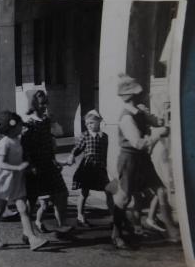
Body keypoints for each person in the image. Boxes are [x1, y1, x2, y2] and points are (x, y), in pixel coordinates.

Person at [110, 73, 177, 248]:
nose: (144, 94)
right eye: (140, 93)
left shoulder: (139, 111)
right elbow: (138, 143)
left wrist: (160, 119)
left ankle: (171, 231)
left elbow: (157, 122)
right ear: (132, 95)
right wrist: (157, 134)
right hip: (130, 159)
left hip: (142, 159)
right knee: (123, 198)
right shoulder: (126, 117)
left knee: (161, 190)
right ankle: (116, 234)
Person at [0, 111, 48, 250]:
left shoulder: (18, 140)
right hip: (4, 179)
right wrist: (18, 168)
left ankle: (32, 238)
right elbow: (1, 164)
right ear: (11, 127)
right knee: (0, 208)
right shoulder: (4, 143)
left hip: (17, 179)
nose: (21, 127)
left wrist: (27, 168)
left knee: (23, 208)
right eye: (19, 125)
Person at [21, 90, 72, 233]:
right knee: (32, 200)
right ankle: (27, 232)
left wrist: (55, 159)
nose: (45, 106)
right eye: (42, 104)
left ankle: (62, 226)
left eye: (46, 103)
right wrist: (30, 166)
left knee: (61, 194)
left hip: (49, 165)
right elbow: (25, 149)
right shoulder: (28, 124)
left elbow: (55, 137)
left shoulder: (47, 121)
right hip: (35, 168)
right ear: (34, 104)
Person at [66, 110, 113, 227]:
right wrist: (72, 155)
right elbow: (78, 148)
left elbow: (105, 153)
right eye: (87, 123)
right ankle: (80, 215)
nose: (89, 125)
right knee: (84, 192)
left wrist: (106, 167)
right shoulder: (85, 135)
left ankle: (114, 216)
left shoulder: (104, 137)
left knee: (108, 191)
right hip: (88, 167)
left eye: (91, 123)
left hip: (100, 168)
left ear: (99, 122)